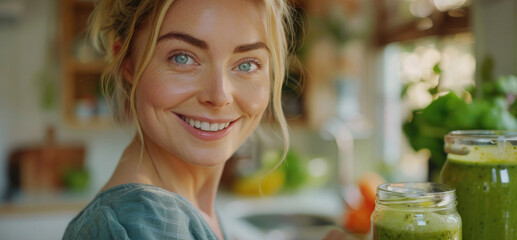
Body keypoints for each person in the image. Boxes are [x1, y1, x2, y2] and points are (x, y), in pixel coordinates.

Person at [63, 0, 350, 239]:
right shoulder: (139, 225)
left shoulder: (191, 212)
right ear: (128, 62)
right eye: (183, 58)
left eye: (247, 64)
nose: (220, 95)